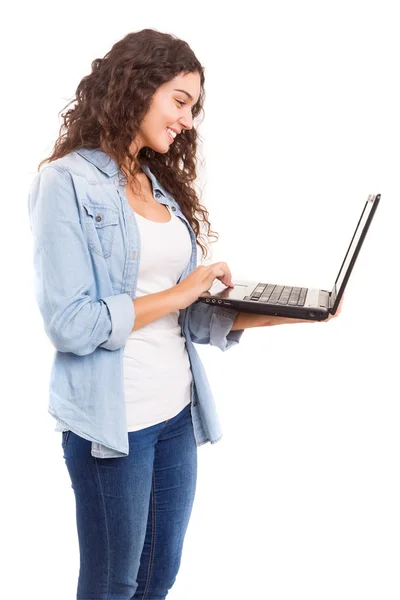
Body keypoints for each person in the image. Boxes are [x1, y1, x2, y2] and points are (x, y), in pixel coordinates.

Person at [28, 28, 342, 600]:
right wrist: (180, 292)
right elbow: (70, 324)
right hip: (111, 426)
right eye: (180, 101)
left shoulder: (159, 189)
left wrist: (300, 313)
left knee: (159, 576)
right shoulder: (65, 182)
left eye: (193, 108)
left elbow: (192, 322)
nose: (187, 121)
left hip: (175, 414)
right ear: (136, 87)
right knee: (112, 583)